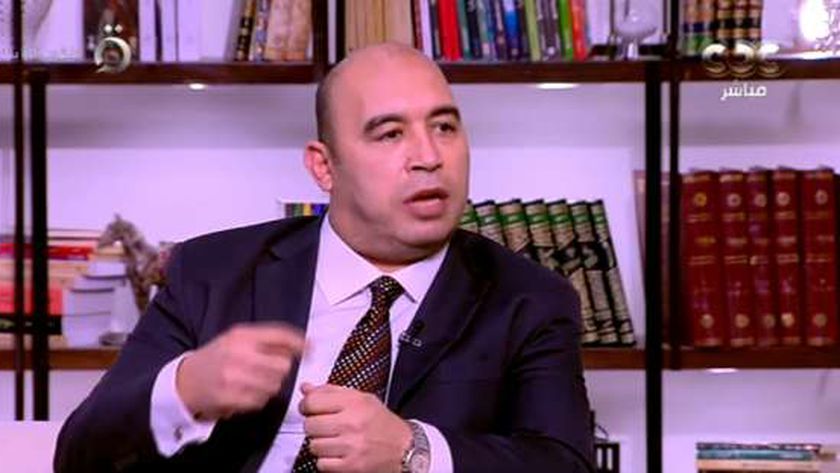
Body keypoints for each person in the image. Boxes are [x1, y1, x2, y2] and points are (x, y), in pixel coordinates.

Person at [54, 42, 594, 473]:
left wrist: (414, 451)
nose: (429, 157)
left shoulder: (529, 299)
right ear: (324, 167)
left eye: (444, 127)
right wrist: (184, 389)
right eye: (390, 134)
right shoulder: (212, 272)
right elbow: (79, 457)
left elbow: (563, 462)